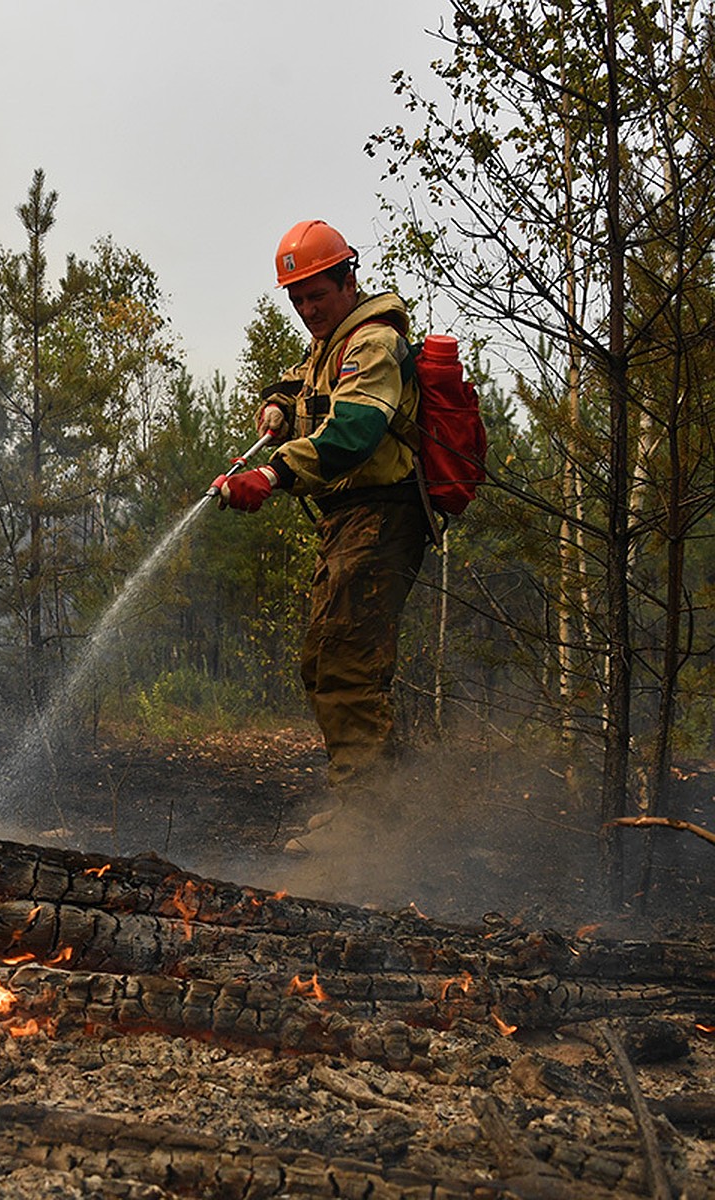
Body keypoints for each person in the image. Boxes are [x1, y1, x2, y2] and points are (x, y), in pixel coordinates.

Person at [219, 220, 429, 855]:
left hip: (383, 515)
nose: (308, 309)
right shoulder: (331, 344)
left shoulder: (372, 343)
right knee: (325, 658)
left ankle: (370, 821)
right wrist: (279, 404)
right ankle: (372, 801)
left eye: (318, 294)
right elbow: (304, 382)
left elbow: (353, 433)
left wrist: (274, 472)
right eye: (298, 300)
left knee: (344, 659)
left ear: (347, 278)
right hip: (351, 520)